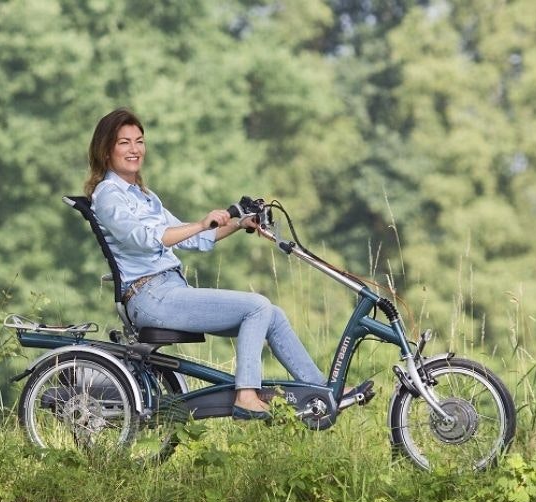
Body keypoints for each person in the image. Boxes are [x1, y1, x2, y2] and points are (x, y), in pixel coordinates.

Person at [85, 108, 362, 420]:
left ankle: (321, 392)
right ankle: (246, 395)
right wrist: (203, 222)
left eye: (139, 141)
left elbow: (195, 239)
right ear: (106, 150)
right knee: (257, 305)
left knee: (272, 315)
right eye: (124, 142)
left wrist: (239, 222)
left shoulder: (143, 195)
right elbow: (145, 238)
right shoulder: (108, 195)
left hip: (170, 290)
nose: (135, 149)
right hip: (150, 297)